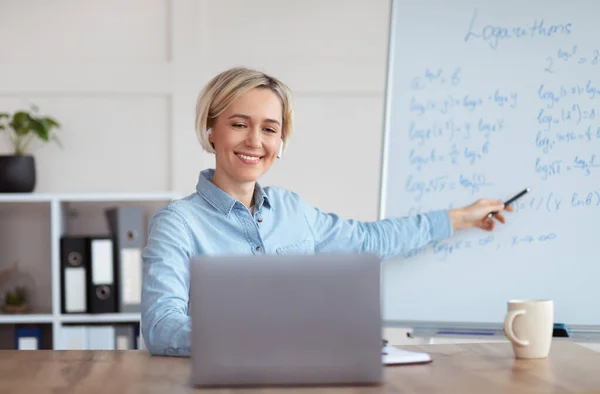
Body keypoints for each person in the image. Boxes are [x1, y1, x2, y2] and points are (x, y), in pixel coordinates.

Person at [140, 67, 512, 356]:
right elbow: (161, 326)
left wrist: (458, 218)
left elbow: (369, 240)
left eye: (270, 129)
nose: (255, 141)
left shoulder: (292, 210)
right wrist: (257, 337)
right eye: (239, 124)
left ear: (280, 142)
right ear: (211, 130)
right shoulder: (178, 223)